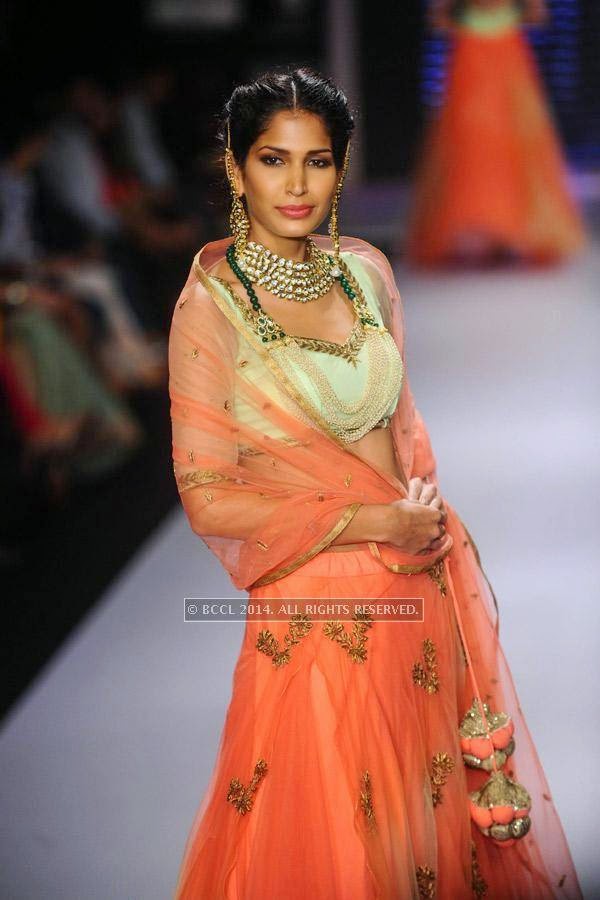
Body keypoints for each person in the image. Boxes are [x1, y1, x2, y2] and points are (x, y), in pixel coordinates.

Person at [168, 66, 582, 898]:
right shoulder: (210, 308)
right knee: (331, 825)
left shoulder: (366, 274)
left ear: (342, 168)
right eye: (272, 160)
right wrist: (373, 523)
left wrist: (421, 516)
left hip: (420, 582)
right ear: (235, 168)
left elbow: (405, 434)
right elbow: (208, 496)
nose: (295, 184)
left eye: (316, 162)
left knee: (423, 819)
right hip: (312, 604)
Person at [405, 0, 587, 267]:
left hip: (504, 57)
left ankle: (509, 233)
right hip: (473, 59)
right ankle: (478, 234)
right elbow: (439, 19)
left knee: (510, 145)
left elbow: (538, 15)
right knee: (472, 146)